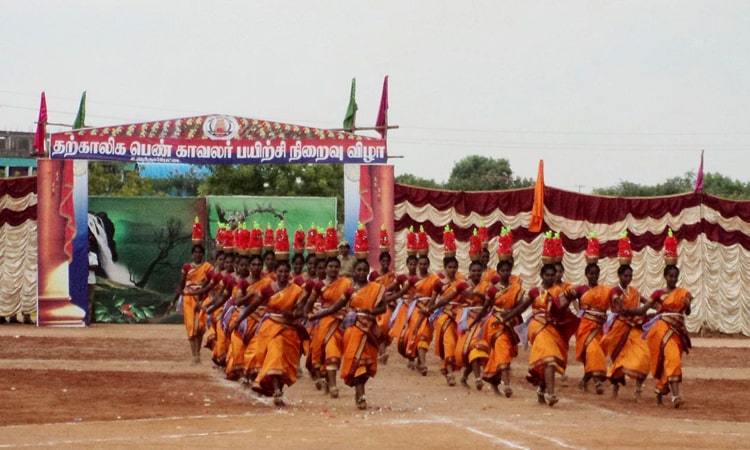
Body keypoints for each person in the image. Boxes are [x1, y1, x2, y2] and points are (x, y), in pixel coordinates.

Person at [503, 264, 578, 406]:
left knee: (550, 362)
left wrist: (569, 298)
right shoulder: (535, 292)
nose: (550, 277)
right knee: (549, 359)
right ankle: (551, 394)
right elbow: (521, 308)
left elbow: (562, 308)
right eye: (547, 275)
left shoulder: (558, 291)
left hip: (554, 329)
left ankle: (541, 390)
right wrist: (506, 318)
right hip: (537, 327)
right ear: (541, 276)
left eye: (552, 275)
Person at [623, 265, 692, 407]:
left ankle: (660, 390)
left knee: (671, 361)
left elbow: (688, 312)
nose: (673, 279)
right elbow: (643, 309)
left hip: (678, 331)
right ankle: (676, 397)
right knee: (672, 359)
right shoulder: (658, 294)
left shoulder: (684, 293)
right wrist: (626, 311)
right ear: (665, 277)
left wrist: (688, 305)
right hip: (662, 330)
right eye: (670, 276)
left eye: (675, 276)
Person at [247, 260, 309, 406]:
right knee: (276, 353)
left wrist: (293, 314)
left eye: (286, 272)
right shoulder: (268, 289)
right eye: (280, 271)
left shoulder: (296, 290)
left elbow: (300, 310)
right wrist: (238, 320)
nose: (283, 274)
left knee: (286, 361)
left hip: (290, 329)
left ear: (289, 273)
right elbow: (253, 305)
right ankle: (276, 391)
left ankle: (278, 389)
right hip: (272, 327)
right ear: (275, 273)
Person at [340, 259, 399, 409]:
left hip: (370, 330)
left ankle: (359, 391)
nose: (361, 273)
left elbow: (383, 308)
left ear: (368, 272)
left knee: (367, 366)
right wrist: (316, 315)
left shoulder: (376, 288)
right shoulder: (349, 291)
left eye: (364, 270)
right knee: (357, 362)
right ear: (354, 272)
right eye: (358, 270)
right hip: (353, 329)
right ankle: (361, 396)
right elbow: (337, 307)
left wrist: (370, 312)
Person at [600, 264, 650, 401]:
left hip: (634, 328)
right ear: (619, 276)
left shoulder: (634, 291)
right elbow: (621, 309)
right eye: (625, 275)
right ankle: (615, 388)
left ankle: (638, 389)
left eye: (630, 276)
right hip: (619, 328)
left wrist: (660, 305)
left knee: (644, 355)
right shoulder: (614, 291)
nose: (628, 278)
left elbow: (647, 302)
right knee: (618, 360)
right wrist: (640, 311)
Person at [306, 257, 353, 398]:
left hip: (340, 321)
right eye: (330, 266)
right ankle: (332, 384)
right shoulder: (319, 285)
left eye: (335, 266)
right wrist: (309, 315)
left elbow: (351, 301)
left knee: (333, 351)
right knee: (326, 351)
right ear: (326, 269)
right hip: (323, 321)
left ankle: (331, 383)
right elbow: (310, 302)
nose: (333, 269)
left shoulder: (346, 283)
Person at [479, 258, 524, 397]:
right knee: (502, 351)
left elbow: (520, 308)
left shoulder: (517, 289)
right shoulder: (492, 290)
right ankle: (508, 386)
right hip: (495, 323)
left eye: (507, 271)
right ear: (498, 272)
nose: (505, 273)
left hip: (509, 323)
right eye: (502, 271)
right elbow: (486, 307)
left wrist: (509, 314)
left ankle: (493, 379)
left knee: (500, 353)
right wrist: (477, 321)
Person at [424, 256, 468, 386]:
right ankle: (450, 373)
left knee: (458, 344)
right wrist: (428, 310)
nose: (452, 270)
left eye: (454, 267)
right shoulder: (439, 284)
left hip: (458, 317)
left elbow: (466, 299)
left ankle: (449, 368)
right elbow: (434, 300)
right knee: (449, 342)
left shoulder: (461, 283)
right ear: (445, 268)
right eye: (449, 267)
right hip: (444, 316)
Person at [455, 260, 493, 390]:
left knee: (477, 347)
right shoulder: (464, 285)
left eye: (478, 271)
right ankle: (476, 378)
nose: (476, 273)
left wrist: (477, 294)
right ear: (470, 272)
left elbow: (490, 300)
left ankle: (470, 377)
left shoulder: (487, 286)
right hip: (466, 320)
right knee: (469, 349)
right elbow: (455, 300)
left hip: (482, 320)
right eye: (473, 271)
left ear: (482, 272)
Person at [572, 263, 610, 394]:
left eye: (596, 273)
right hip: (585, 326)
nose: (593, 276)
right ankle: (598, 382)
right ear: (586, 274)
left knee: (594, 354)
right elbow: (568, 298)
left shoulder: (605, 290)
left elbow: (614, 303)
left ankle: (584, 381)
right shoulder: (581, 289)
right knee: (592, 351)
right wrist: (578, 310)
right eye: (591, 273)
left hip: (599, 327)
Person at [401, 254, 440, 375]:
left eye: (425, 264)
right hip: (416, 310)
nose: (423, 266)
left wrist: (428, 308)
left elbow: (434, 297)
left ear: (428, 265)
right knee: (416, 334)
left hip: (428, 310)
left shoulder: (434, 279)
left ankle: (421, 361)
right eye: (421, 264)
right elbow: (403, 292)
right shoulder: (413, 280)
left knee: (424, 336)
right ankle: (421, 363)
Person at [176, 244, 212, 364]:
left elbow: (209, 284)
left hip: (202, 297)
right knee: (191, 326)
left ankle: (198, 351)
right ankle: (194, 355)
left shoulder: (208, 268)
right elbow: (181, 283)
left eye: (200, 252)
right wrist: (176, 297)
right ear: (192, 254)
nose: (197, 254)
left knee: (200, 327)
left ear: (203, 254)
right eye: (195, 252)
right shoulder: (186, 267)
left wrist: (202, 295)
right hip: (188, 299)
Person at [87, 233, 99, 324]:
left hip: (91, 280)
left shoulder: (93, 255)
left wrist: (85, 265)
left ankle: (89, 319)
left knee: (90, 299)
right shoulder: (80, 255)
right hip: (81, 280)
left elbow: (95, 267)